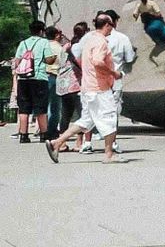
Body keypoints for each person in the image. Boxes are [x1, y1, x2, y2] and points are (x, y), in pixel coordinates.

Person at [48, 11, 121, 163]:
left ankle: (56, 142)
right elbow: (98, 61)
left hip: (88, 87)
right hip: (99, 88)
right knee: (109, 118)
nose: (112, 29)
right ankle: (109, 154)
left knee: (86, 121)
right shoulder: (101, 42)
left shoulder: (89, 40)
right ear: (107, 25)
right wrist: (114, 73)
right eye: (111, 26)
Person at [9, 21, 53, 143]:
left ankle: (23, 134)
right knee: (40, 107)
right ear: (41, 31)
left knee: (23, 108)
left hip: (23, 78)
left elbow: (17, 61)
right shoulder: (44, 42)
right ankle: (44, 134)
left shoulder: (23, 43)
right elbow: (49, 59)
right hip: (39, 77)